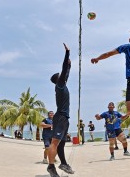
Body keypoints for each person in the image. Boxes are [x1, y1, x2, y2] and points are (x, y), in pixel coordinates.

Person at [47, 43, 74, 177]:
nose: (63, 76)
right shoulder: (59, 84)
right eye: (61, 75)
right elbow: (64, 70)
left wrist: (69, 65)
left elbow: (66, 72)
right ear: (58, 79)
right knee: (55, 143)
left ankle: (63, 163)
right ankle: (51, 167)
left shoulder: (62, 85)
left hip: (64, 118)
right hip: (61, 117)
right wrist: (67, 53)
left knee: (62, 144)